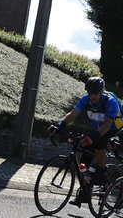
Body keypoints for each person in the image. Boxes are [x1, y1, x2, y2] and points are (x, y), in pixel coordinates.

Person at [48, 76, 123, 206]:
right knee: (83, 163)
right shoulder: (85, 100)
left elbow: (106, 126)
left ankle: (102, 170)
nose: (92, 96)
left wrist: (92, 138)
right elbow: (72, 114)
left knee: (98, 144)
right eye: (89, 92)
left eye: (95, 93)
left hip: (114, 130)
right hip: (99, 130)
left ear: (101, 91)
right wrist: (59, 126)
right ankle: (84, 194)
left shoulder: (110, 102)